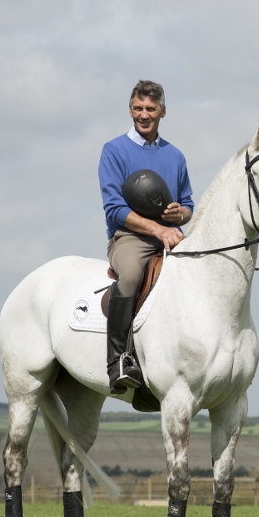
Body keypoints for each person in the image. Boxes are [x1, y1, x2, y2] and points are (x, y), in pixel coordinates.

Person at [99, 80, 194, 394]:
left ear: (162, 112)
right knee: (130, 277)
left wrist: (178, 215)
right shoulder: (114, 151)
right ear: (130, 110)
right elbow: (114, 209)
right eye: (138, 108)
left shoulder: (176, 156)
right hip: (129, 237)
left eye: (150, 109)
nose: (143, 114)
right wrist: (158, 229)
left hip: (171, 236)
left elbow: (189, 207)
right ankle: (119, 361)